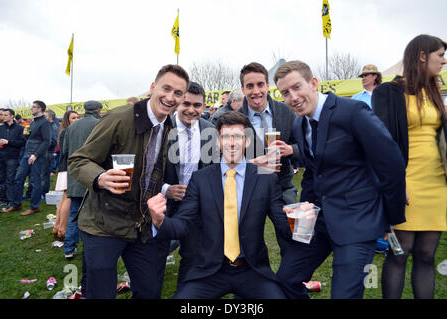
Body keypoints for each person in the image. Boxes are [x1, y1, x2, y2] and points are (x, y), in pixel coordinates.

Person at [273, 60, 406, 299]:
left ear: (314, 83)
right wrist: (306, 209)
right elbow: (314, 172)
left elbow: (391, 163)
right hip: (320, 222)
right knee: (284, 280)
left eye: (296, 87)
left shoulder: (353, 111)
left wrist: (392, 218)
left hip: (358, 221)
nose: (292, 97)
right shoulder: (299, 122)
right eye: (285, 93)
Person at [67, 64, 189, 299]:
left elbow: (152, 171)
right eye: (166, 88)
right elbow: (79, 160)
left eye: (178, 93)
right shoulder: (119, 118)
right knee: (100, 292)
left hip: (141, 224)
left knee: (149, 290)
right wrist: (100, 177)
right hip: (104, 223)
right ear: (152, 88)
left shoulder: (169, 126)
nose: (170, 97)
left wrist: (163, 189)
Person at [148, 111, 291, 299]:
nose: (231, 143)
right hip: (209, 272)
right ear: (218, 141)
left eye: (238, 137)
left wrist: (300, 221)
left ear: (247, 141)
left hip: (252, 270)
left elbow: (282, 225)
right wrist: (160, 221)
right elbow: (183, 224)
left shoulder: (266, 179)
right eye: (225, 137)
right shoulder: (200, 179)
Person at [372, 34, 447, 299]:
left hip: (436, 183)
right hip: (404, 181)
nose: (444, 61)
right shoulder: (388, 92)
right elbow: (380, 142)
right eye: (440, 55)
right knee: (399, 252)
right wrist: (394, 184)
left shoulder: (435, 91)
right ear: (422, 55)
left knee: (427, 255)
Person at [159, 81, 219, 291]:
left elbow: (214, 168)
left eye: (197, 105)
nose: (191, 110)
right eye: (186, 104)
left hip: (196, 207)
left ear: (203, 107)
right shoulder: (162, 128)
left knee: (192, 257)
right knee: (155, 255)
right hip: (164, 203)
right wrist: (166, 189)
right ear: (178, 103)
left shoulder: (210, 130)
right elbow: (147, 171)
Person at [237, 62, 299, 257]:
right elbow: (221, 159)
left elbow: (305, 145)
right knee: (248, 244)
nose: (256, 91)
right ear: (242, 89)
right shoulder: (234, 118)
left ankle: (291, 284)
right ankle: (256, 284)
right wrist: (250, 164)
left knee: (292, 240)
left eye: (260, 84)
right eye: (250, 86)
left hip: (282, 186)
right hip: (248, 189)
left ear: (267, 86)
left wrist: (290, 150)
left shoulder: (286, 111)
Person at [62, 103, 102, 260]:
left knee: (74, 213)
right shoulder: (100, 124)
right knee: (94, 215)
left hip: (75, 175)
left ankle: (69, 248)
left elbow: (65, 150)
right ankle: (90, 249)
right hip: (94, 175)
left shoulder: (72, 126)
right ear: (98, 110)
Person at [2, 101, 51, 216]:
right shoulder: (34, 122)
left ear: (40, 109)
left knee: (34, 182)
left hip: (36, 156)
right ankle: (16, 204)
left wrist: (36, 155)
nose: (31, 109)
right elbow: (32, 139)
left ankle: (34, 207)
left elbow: (47, 141)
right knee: (18, 179)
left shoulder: (45, 123)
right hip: (26, 154)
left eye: (33, 107)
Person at [52, 110, 79, 240]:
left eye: (78, 117)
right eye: (73, 118)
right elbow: (66, 151)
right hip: (67, 167)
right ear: (67, 120)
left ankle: (57, 227)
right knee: (68, 198)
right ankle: (62, 229)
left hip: (64, 167)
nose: (76, 119)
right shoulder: (67, 132)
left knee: (64, 198)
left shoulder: (64, 132)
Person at [0, 109, 25, 210]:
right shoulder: (0, 129)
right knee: (1, 179)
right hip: (0, 156)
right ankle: (4, 200)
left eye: (5, 115)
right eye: (2, 115)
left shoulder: (19, 128)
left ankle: (11, 201)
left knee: (10, 179)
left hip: (12, 157)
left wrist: (9, 142)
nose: (3, 117)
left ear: (12, 116)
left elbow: (22, 143)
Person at [42, 109, 59, 198]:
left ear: (49, 117)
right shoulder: (47, 126)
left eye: (44, 116)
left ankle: (44, 192)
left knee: (45, 174)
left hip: (48, 153)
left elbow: (53, 142)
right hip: (44, 152)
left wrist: (42, 143)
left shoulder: (53, 127)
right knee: (43, 173)